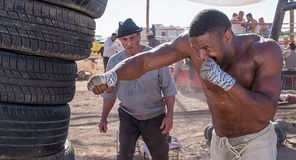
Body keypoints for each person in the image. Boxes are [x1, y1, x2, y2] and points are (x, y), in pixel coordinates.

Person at [88, 9, 283, 160]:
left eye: (207, 48)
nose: (201, 56)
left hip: (256, 141)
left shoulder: (264, 50)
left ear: (228, 37)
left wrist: (227, 83)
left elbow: (266, 112)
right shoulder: (193, 45)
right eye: (197, 49)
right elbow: (145, 61)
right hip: (220, 140)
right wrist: (112, 75)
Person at [97, 18, 177, 160]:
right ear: (119, 41)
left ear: (139, 37)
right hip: (128, 116)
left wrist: (169, 116)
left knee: (160, 156)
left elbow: (168, 88)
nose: (129, 43)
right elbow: (110, 94)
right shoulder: (114, 62)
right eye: (124, 39)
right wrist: (103, 118)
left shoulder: (156, 57)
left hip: (154, 116)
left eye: (132, 38)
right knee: (124, 156)